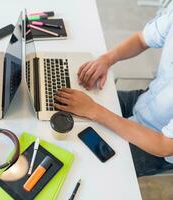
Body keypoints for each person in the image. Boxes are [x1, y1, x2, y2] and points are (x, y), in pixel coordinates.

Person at [55, 8, 173, 177]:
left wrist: (94, 111)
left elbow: (164, 145)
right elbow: (141, 39)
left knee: (85, 167)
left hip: (154, 143)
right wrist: (107, 59)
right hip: (145, 101)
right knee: (67, 108)